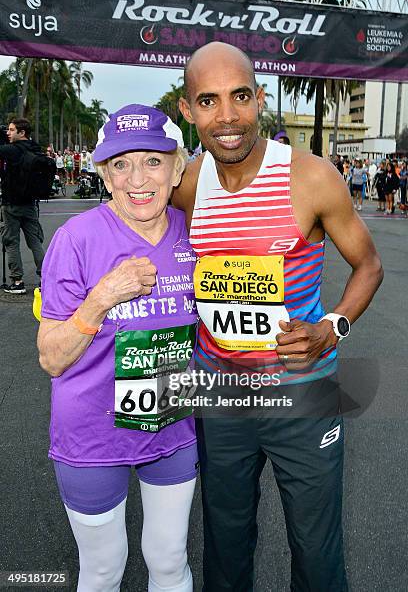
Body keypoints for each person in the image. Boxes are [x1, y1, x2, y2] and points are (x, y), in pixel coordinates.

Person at [173, 42, 383, 592]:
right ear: (187, 109)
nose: (228, 117)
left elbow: (368, 265)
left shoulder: (309, 176)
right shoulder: (190, 184)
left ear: (259, 99)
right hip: (220, 395)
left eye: (240, 97)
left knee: (316, 554)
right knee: (225, 543)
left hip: (303, 395)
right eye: (209, 101)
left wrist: (332, 327)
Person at [37, 104, 198, 592]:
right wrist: (102, 297)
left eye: (153, 161)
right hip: (91, 435)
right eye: (121, 165)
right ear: (105, 177)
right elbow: (51, 357)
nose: (137, 179)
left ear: (176, 169)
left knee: (169, 560)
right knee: (105, 568)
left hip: (171, 425)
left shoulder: (197, 235)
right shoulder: (75, 240)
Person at [0, 117, 45, 294]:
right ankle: (45, 277)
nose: (8, 133)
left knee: (11, 242)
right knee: (35, 242)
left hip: (11, 204)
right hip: (30, 203)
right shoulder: (35, 149)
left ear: (22, 132)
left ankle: (17, 281)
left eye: (11, 130)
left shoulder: (12, 151)